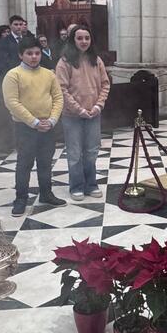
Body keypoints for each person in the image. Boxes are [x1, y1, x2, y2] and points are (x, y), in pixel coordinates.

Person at [3, 36, 66, 216]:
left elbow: (58, 98)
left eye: (37, 53)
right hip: (25, 127)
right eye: (29, 53)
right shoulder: (13, 75)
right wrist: (34, 122)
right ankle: (21, 198)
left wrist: (52, 120)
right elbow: (12, 102)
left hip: (48, 126)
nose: (34, 57)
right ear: (20, 55)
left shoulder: (49, 74)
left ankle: (46, 193)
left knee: (45, 162)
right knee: (25, 163)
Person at [55, 25, 110, 201]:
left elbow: (105, 84)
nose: (84, 41)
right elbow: (61, 89)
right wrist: (79, 110)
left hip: (93, 114)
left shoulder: (97, 60)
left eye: (87, 38)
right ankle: (76, 186)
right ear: (73, 40)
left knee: (92, 151)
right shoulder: (65, 62)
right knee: (74, 152)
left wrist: (98, 106)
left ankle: (91, 185)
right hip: (72, 116)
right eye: (80, 38)